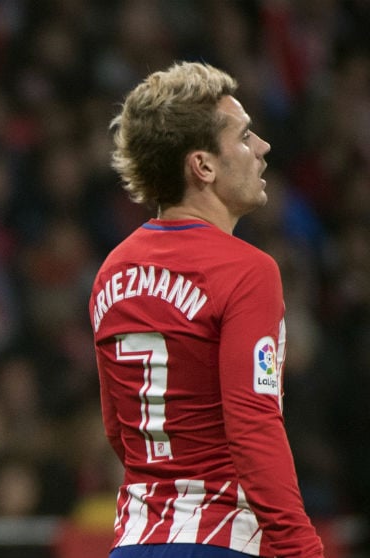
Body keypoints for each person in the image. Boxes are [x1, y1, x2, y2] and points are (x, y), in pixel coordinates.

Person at [89, 61, 323, 558]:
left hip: (135, 540)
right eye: (244, 136)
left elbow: (117, 428)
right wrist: (299, 545)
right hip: (220, 539)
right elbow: (253, 423)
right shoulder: (247, 271)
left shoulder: (113, 271)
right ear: (204, 166)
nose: (262, 148)